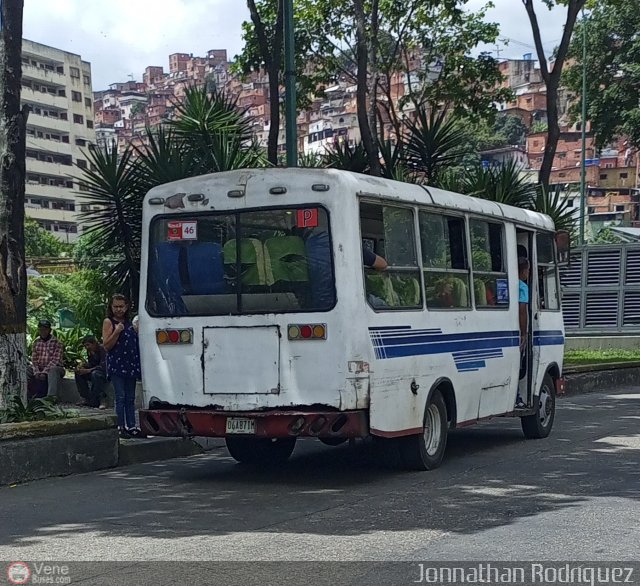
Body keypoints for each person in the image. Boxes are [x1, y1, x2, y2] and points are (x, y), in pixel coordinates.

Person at [102, 294, 144, 438]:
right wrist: (116, 332)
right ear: (111, 307)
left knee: (130, 398)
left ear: (126, 307)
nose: (118, 309)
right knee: (120, 397)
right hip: (117, 365)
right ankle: (120, 426)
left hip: (131, 364)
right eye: (115, 306)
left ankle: (132, 425)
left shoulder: (130, 323)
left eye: (121, 306)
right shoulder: (109, 322)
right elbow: (107, 346)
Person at [27, 319, 65, 399]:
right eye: (41, 330)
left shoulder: (57, 342)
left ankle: (51, 398)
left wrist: (44, 372)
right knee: (25, 370)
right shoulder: (36, 342)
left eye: (45, 329)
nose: (43, 331)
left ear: (49, 330)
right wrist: (37, 371)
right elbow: (34, 359)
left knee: (53, 370)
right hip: (39, 368)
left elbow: (56, 360)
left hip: (55, 368)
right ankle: (27, 395)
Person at [74, 335, 108, 409]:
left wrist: (88, 370)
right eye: (85, 346)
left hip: (103, 372)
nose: (87, 347)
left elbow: (103, 366)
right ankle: (85, 397)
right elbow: (92, 364)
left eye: (88, 345)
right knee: (78, 373)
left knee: (95, 374)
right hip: (94, 370)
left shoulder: (102, 349)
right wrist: (83, 366)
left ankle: (102, 399)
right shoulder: (90, 351)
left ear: (94, 343)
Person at [516, 256, 530, 408]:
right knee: (517, 365)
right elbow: (522, 311)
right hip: (516, 332)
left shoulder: (507, 283)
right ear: (524, 271)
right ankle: (516, 397)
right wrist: (524, 333)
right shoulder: (522, 287)